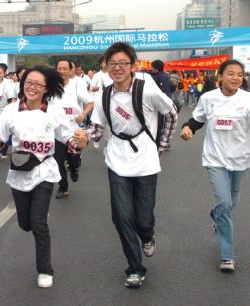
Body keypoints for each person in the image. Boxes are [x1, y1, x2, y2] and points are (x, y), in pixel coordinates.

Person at [0, 65, 87, 288]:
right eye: (28, 83)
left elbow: (69, 136)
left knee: (39, 223)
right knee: (25, 224)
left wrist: (79, 141)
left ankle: (45, 270)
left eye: (38, 84)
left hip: (45, 171)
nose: (32, 87)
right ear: (23, 86)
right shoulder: (11, 111)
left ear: (46, 89)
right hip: (19, 171)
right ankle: (35, 218)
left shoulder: (54, 111)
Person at [88, 42, 178, 288]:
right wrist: (83, 136)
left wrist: (162, 144)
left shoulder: (146, 89)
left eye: (122, 63)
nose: (117, 68)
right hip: (117, 160)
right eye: (112, 64)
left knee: (143, 219)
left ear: (133, 66)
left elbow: (171, 112)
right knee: (121, 217)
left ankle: (147, 236)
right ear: (106, 67)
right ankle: (135, 268)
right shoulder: (103, 95)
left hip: (146, 162)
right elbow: (96, 128)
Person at [181, 59, 250, 272]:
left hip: (241, 158)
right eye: (231, 74)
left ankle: (217, 217)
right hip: (215, 159)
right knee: (224, 202)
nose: (236, 78)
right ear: (220, 76)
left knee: (230, 203)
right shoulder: (209, 98)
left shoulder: (248, 100)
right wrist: (187, 129)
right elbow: (197, 119)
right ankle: (227, 256)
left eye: (240, 74)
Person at [52, 59, 94, 199]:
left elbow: (90, 103)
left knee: (73, 159)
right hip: (56, 134)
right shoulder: (50, 87)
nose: (62, 71)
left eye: (65, 68)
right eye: (59, 68)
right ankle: (63, 188)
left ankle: (74, 167)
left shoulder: (76, 86)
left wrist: (83, 114)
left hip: (74, 133)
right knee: (58, 162)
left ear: (71, 71)